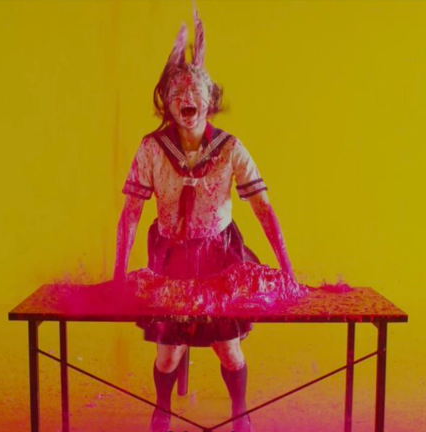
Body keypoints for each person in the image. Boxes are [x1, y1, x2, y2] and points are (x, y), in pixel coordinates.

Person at [113, 6, 294, 432]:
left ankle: (239, 409)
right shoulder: (151, 149)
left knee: (228, 348)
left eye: (194, 90)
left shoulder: (230, 149)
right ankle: (162, 407)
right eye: (176, 91)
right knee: (168, 354)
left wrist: (288, 269)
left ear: (210, 100)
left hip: (220, 258)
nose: (185, 98)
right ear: (167, 101)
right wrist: (118, 275)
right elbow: (131, 213)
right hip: (171, 258)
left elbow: (263, 208)